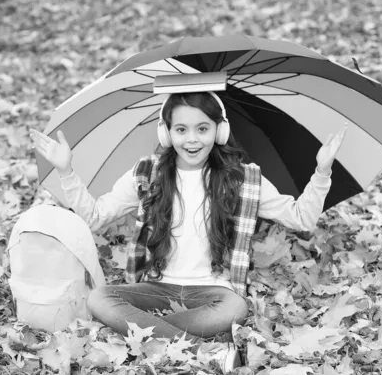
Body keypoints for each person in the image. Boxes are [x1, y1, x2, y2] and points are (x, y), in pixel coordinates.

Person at [29, 91, 346, 369]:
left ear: (220, 131)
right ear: (166, 133)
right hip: (159, 289)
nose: (192, 140)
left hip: (214, 294)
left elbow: (300, 219)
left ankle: (139, 338)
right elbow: (97, 216)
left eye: (203, 129)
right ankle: (206, 352)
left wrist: (323, 170)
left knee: (237, 307)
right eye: (181, 129)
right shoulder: (146, 174)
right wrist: (66, 171)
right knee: (100, 298)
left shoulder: (243, 179)